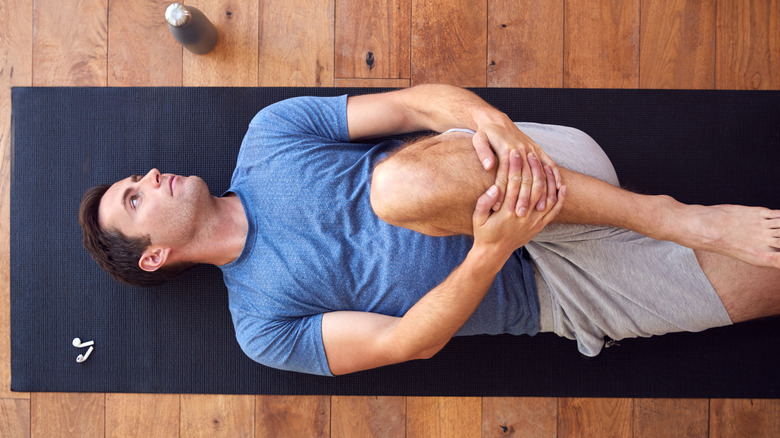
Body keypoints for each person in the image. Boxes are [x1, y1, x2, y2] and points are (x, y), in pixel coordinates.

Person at [79, 84, 780, 376]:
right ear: (155, 258)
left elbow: (418, 102)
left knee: (395, 186)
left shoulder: (271, 137)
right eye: (135, 200)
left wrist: (499, 130)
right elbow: (404, 341)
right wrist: (492, 249)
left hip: (535, 171)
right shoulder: (261, 326)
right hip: (561, 295)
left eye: (137, 179)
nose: (150, 176)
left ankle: (680, 218)